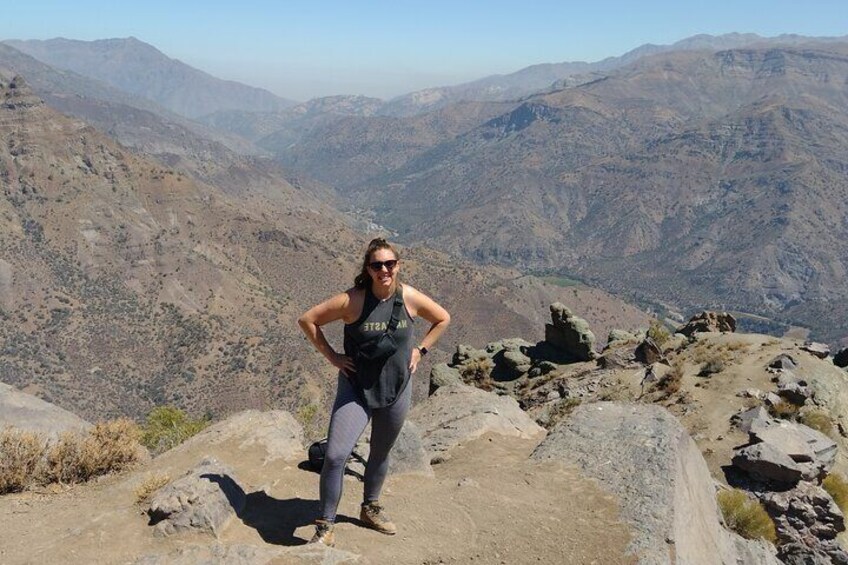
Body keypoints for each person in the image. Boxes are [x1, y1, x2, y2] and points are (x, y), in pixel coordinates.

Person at [297, 237, 450, 547]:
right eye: (377, 265)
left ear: (398, 265)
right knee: (337, 455)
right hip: (356, 389)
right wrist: (333, 357)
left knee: (380, 453)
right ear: (367, 269)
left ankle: (371, 507)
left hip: (396, 389)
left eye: (390, 264)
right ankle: (325, 525)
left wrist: (421, 350)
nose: (384, 270)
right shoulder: (352, 300)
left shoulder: (409, 298)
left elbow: (443, 318)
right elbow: (308, 320)